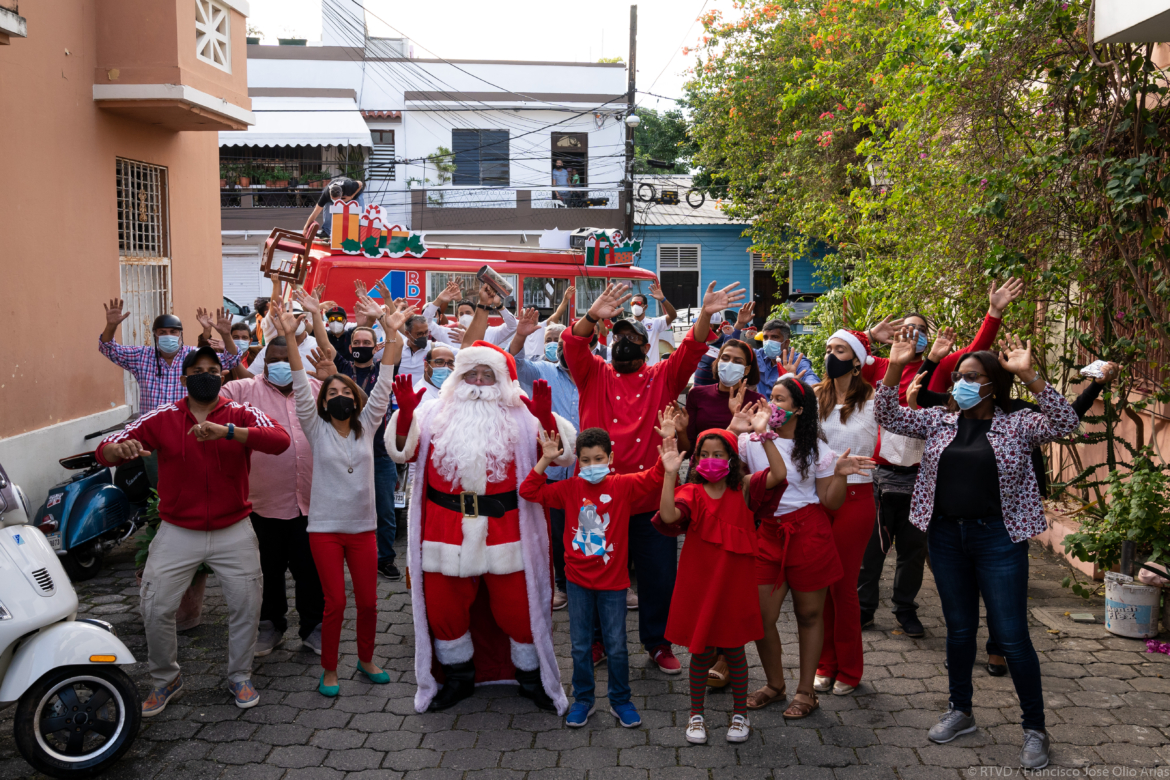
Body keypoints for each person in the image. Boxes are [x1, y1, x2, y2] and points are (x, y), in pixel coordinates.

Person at [875, 330, 1077, 770]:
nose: (960, 384)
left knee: (1012, 636)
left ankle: (1035, 729)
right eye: (958, 377)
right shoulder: (939, 420)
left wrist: (1031, 376)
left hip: (999, 538)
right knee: (960, 630)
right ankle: (961, 711)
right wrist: (895, 366)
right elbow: (886, 413)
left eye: (971, 377)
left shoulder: (1018, 423)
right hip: (946, 537)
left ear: (992, 384)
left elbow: (1066, 423)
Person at [96, 346, 291, 715]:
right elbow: (107, 446)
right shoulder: (163, 416)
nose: (206, 375)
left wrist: (228, 432)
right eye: (198, 370)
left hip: (234, 529)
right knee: (155, 607)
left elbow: (280, 440)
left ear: (223, 376)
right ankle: (166, 679)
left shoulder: (241, 412)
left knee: (247, 606)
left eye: (213, 370)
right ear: (184, 378)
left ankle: (240, 675)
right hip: (177, 530)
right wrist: (116, 452)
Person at [564, 280, 746, 674]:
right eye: (618, 337)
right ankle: (597, 641)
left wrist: (706, 314)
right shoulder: (593, 373)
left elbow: (691, 348)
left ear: (647, 347)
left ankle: (658, 643)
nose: (623, 343)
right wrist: (591, 316)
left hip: (652, 497)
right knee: (597, 571)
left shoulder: (662, 376)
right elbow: (574, 344)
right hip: (599, 499)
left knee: (659, 576)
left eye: (632, 338)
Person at [388, 340, 577, 714]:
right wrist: (406, 415)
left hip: (507, 530)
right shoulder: (432, 413)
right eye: (470, 373)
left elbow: (562, 457)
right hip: (444, 530)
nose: (477, 381)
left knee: (520, 609)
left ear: (502, 380)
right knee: (444, 609)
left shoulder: (523, 414)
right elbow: (402, 451)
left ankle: (530, 679)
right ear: (458, 376)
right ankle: (457, 678)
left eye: (486, 374)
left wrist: (546, 419)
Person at [855, 278, 1023, 637]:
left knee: (913, 552)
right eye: (908, 327)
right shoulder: (884, 365)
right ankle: (863, 609)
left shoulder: (944, 368)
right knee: (872, 550)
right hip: (882, 474)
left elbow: (977, 350)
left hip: (921, 477)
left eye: (920, 329)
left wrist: (993, 312)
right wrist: (869, 335)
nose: (913, 333)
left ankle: (905, 610)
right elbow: (844, 352)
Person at [278, 296, 407, 697]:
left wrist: (391, 334)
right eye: (331, 391)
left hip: (363, 530)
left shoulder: (368, 426)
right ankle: (329, 669)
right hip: (325, 531)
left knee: (368, 603)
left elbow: (384, 383)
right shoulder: (315, 427)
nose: (339, 396)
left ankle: (366, 660)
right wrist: (291, 338)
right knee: (335, 603)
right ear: (323, 400)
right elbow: (300, 384)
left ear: (355, 398)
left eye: (345, 391)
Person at [737, 376, 875, 718]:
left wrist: (840, 475)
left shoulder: (815, 448)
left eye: (780, 399)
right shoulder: (749, 441)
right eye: (771, 396)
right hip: (768, 534)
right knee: (761, 617)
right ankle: (775, 685)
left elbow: (830, 502)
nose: (772, 404)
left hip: (809, 534)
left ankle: (805, 692)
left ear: (799, 409)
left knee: (809, 614)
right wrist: (738, 426)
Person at [520, 422, 671, 728]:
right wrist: (546, 459)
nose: (592, 465)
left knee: (616, 645)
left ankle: (621, 700)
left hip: (613, 585)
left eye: (599, 458)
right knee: (580, 646)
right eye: (586, 460)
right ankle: (583, 700)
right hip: (577, 583)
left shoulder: (623, 486)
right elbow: (528, 490)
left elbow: (656, 476)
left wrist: (667, 443)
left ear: (610, 458)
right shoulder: (569, 489)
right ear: (577, 460)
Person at [654, 408, 788, 745]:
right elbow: (668, 516)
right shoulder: (692, 492)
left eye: (719, 454)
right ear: (696, 459)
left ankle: (740, 714)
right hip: (700, 583)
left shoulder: (744, 488)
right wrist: (670, 475)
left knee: (735, 650)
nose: (711, 460)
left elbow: (779, 473)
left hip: (735, 585)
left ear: (731, 459)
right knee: (701, 652)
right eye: (705, 454)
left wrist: (765, 435)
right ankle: (695, 715)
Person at [220, 336, 326, 657]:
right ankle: (270, 625)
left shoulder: (316, 388)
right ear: (264, 363)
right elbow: (210, 401)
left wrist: (333, 375)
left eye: (287, 359)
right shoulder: (243, 390)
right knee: (267, 568)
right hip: (262, 503)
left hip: (312, 501)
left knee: (310, 568)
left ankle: (314, 626)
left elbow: (358, 411)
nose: (281, 365)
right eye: (273, 360)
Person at [810, 330, 879, 697]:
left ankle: (850, 668)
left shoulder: (873, 400)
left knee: (843, 587)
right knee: (820, 583)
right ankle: (825, 663)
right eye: (828, 349)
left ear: (856, 360)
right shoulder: (815, 397)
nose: (830, 355)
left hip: (856, 498)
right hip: (819, 497)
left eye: (839, 349)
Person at [509, 310, 589, 611]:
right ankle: (561, 584)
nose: (561, 347)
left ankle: (591, 582)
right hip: (554, 467)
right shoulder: (542, 370)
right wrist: (521, 335)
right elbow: (513, 362)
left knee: (590, 526)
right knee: (555, 532)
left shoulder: (597, 372)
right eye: (556, 342)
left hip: (590, 468)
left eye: (567, 342)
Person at [324, 297, 403, 581]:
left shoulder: (384, 369)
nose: (360, 346)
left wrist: (382, 318)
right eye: (356, 342)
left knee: (385, 510)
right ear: (349, 347)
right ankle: (343, 555)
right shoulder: (343, 369)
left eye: (366, 342)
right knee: (342, 507)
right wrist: (315, 314)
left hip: (380, 452)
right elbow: (324, 342)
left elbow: (398, 344)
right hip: (345, 451)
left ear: (376, 346)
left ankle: (385, 558)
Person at [100, 300, 242, 412]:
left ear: (180, 334)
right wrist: (111, 326)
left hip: (186, 427)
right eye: (162, 332)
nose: (168, 336)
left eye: (173, 332)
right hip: (151, 429)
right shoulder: (141, 356)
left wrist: (226, 335)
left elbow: (232, 360)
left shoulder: (194, 356)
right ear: (155, 335)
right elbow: (109, 349)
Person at [679, 338, 764, 456]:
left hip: (739, 466)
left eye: (737, 361)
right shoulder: (697, 394)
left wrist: (736, 416)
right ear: (718, 361)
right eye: (725, 358)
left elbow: (756, 448)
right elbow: (687, 451)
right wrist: (681, 431)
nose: (729, 364)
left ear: (747, 369)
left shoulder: (756, 401)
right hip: (702, 465)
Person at [694, 303, 756, 386]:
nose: (694, 327)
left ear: (710, 326)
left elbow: (734, 336)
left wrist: (740, 323)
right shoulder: (703, 341)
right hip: (697, 391)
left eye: (698, 324)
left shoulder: (725, 342)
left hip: (712, 392)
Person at [755, 320, 819, 395]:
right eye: (765, 337)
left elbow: (812, 381)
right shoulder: (759, 355)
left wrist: (796, 384)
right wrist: (742, 325)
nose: (768, 342)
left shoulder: (797, 362)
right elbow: (742, 351)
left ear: (786, 343)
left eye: (775, 337)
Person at [625, 283, 678, 367]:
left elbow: (673, 315)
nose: (635, 306)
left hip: (651, 370)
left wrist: (663, 300)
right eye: (633, 303)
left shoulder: (654, 323)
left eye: (638, 303)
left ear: (645, 307)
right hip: (632, 369)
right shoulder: (625, 324)